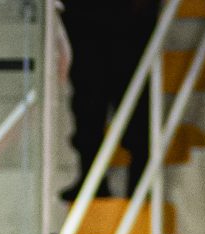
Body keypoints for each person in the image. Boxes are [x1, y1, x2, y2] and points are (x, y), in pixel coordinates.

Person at [59, 0, 157, 201]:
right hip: (84, 17)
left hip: (127, 17)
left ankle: (140, 181)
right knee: (87, 100)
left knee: (133, 96)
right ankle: (91, 180)